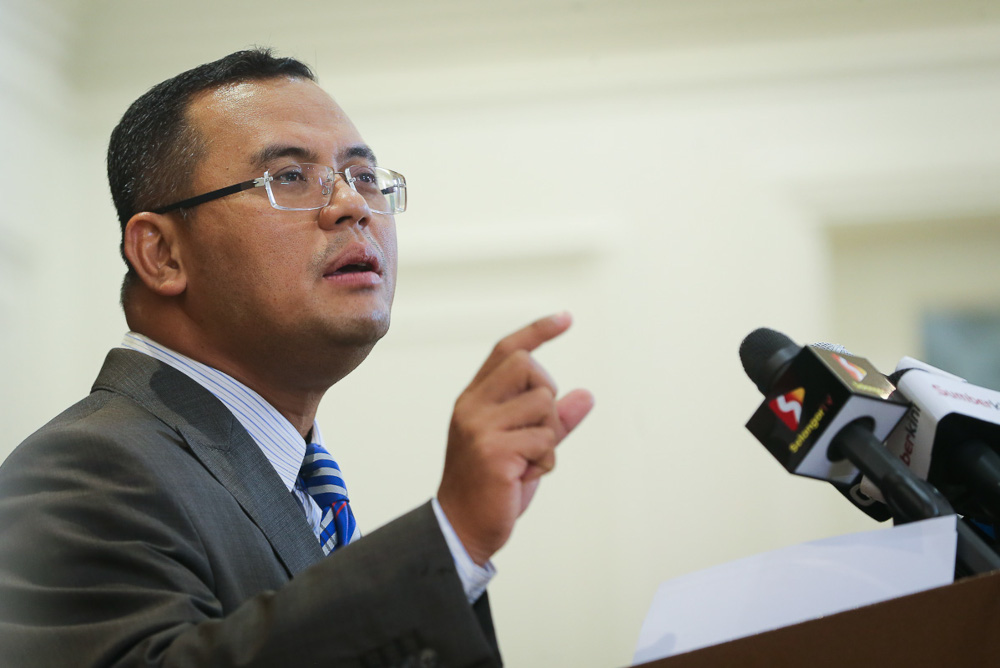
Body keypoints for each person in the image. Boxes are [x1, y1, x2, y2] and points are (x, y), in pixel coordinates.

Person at [0, 48, 593, 667]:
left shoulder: (294, 476)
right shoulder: (84, 472)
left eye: (365, 176)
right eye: (288, 177)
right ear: (162, 254)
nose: (352, 205)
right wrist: (449, 540)